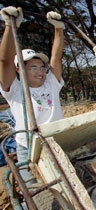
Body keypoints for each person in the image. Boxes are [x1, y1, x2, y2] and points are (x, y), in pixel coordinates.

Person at [0, 6, 65, 184]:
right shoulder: (14, 89)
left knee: (65, 182)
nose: (40, 72)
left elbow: (56, 58)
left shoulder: (51, 83)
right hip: (27, 147)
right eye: (33, 67)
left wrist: (59, 29)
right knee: (33, 189)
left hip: (55, 142)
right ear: (19, 70)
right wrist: (10, 26)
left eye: (41, 67)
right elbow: (4, 61)